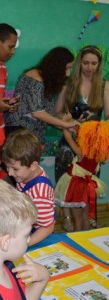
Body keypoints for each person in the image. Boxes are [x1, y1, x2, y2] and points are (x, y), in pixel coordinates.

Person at [54, 45, 109, 231]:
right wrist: (69, 122)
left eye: (94, 63)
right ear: (79, 63)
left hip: (91, 147)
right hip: (69, 141)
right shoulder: (68, 84)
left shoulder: (103, 85)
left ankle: (87, 217)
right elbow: (58, 112)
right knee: (67, 182)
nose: (89, 67)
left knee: (87, 186)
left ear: (99, 65)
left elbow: (108, 117)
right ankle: (67, 216)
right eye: (85, 62)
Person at [5, 46, 79, 145]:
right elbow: (37, 112)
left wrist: (66, 126)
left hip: (34, 137)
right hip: (19, 134)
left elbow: (48, 115)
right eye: (67, 68)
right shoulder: (34, 77)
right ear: (57, 66)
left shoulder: (47, 81)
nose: (68, 73)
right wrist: (65, 124)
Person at [2, 129, 55, 246]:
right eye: (7, 167)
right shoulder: (26, 174)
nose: (10, 173)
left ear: (33, 165)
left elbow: (47, 227)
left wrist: (24, 244)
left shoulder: (39, 194)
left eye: (15, 169)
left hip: (36, 236)